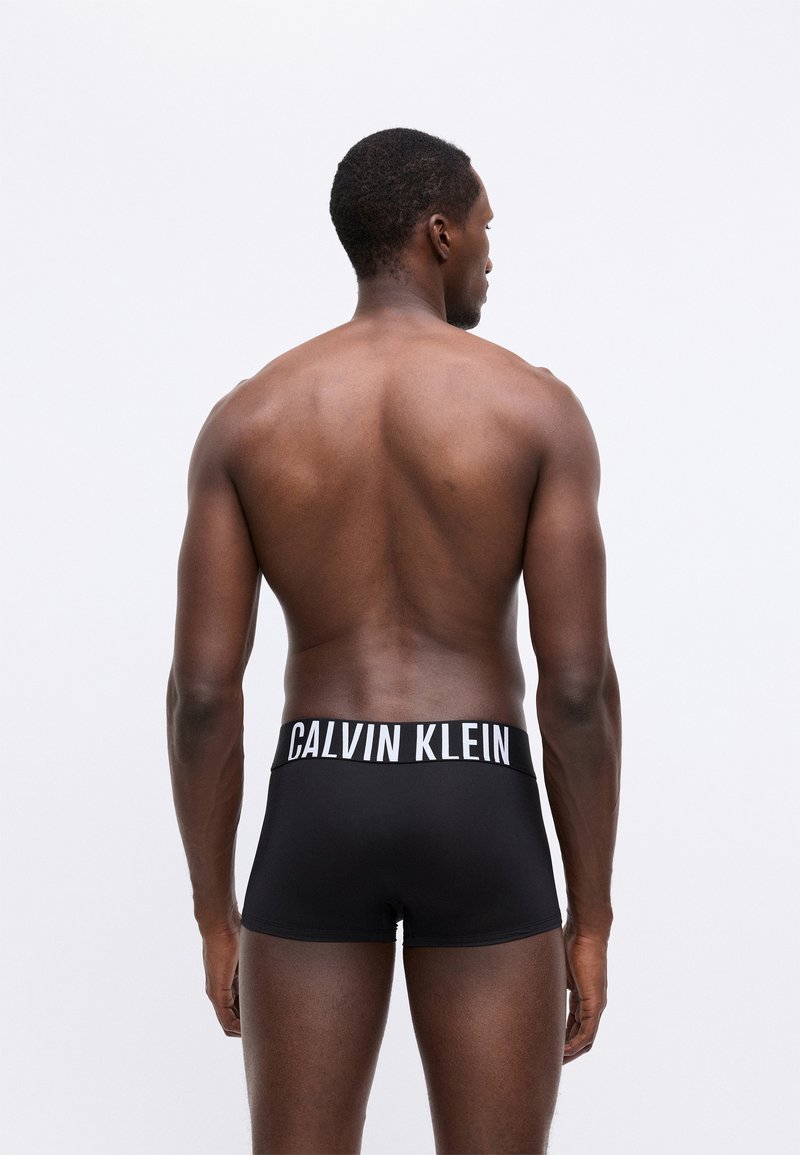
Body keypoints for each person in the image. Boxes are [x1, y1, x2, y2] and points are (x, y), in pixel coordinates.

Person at [167, 126, 621, 1155]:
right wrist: (590, 920)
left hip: (320, 791)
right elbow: (577, 689)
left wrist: (213, 914)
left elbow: (200, 695)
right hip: (477, 791)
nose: (491, 252)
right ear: (438, 233)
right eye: (485, 229)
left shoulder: (248, 419)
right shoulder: (535, 410)